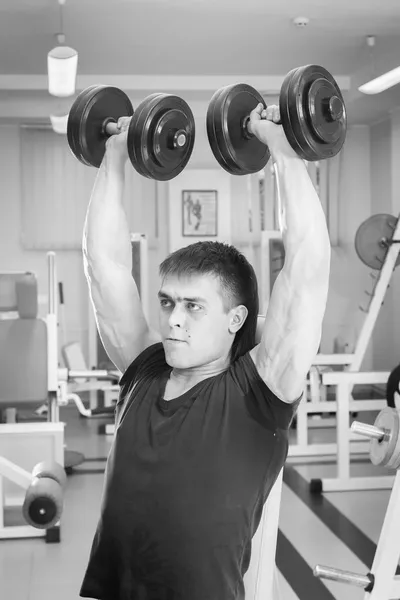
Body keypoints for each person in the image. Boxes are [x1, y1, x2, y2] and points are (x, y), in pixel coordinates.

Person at [79, 102, 331, 600]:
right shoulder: (144, 366)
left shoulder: (257, 395)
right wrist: (112, 157)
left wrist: (284, 152)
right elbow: (103, 264)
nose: (173, 318)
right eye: (168, 302)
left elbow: (306, 268)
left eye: (194, 306)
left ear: (235, 319)